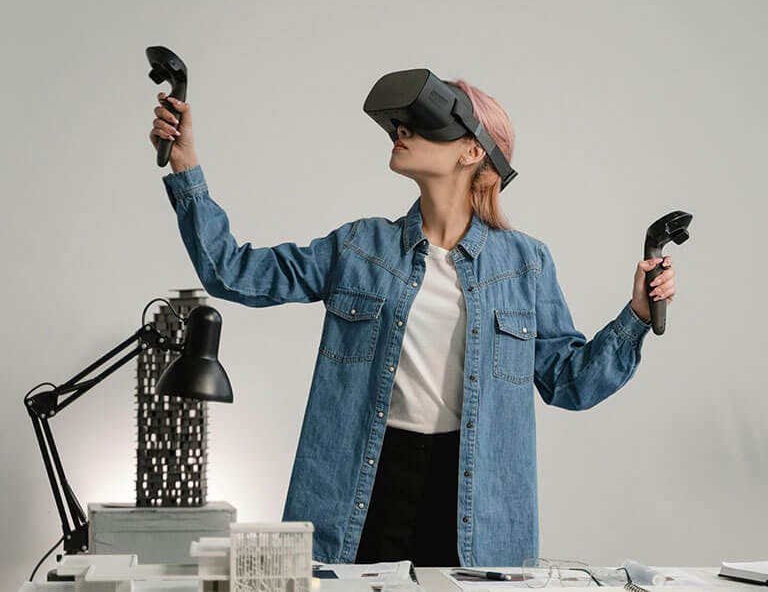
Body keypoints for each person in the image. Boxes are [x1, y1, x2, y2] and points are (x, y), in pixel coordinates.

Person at [149, 77, 676, 567]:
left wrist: (635, 316)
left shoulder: (525, 264)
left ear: (473, 151)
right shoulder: (358, 247)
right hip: (364, 487)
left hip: (473, 503)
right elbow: (233, 272)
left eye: (422, 125)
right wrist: (186, 165)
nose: (402, 133)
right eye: (401, 124)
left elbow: (569, 383)